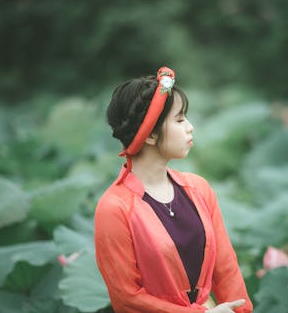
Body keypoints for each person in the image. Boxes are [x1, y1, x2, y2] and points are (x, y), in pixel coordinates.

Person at [94, 67, 253, 313]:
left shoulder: (199, 189)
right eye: (179, 120)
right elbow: (127, 299)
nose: (191, 127)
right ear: (150, 135)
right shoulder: (114, 208)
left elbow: (226, 269)